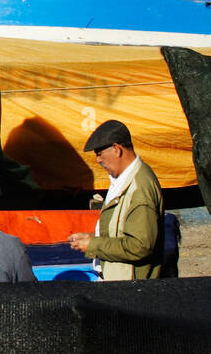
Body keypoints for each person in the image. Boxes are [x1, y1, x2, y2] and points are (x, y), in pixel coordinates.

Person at [68, 120, 164, 280]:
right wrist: (93, 237)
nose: (98, 160)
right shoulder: (125, 179)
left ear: (116, 149)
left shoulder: (139, 189)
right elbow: (122, 231)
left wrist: (94, 245)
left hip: (132, 289)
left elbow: (140, 246)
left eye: (99, 154)